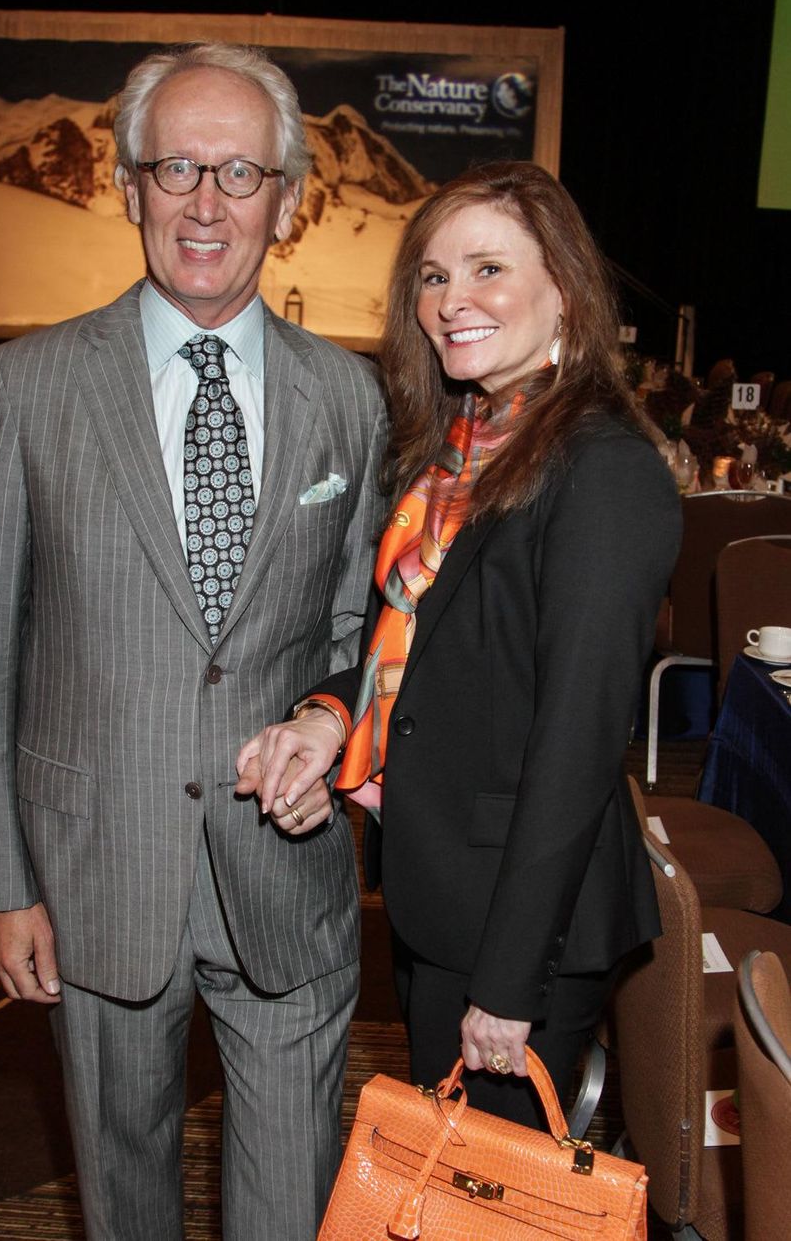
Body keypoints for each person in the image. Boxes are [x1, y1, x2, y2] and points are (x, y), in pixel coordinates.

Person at [0, 43, 386, 1240]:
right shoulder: (23, 390)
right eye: (175, 165)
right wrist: (1, 880)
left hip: (284, 873)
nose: (205, 202)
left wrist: (326, 730)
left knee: (290, 1204)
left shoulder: (348, 398)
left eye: (239, 175)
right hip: (92, 876)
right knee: (122, 1195)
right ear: (126, 185)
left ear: (286, 204)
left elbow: (357, 625)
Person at [237, 160, 681, 1129]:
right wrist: (328, 713)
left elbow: (575, 743)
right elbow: (418, 653)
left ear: (561, 288)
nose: (450, 301)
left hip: (519, 928)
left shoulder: (601, 467)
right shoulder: (459, 451)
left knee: (482, 1203)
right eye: (432, 276)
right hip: (444, 887)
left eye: (486, 269)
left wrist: (509, 978)